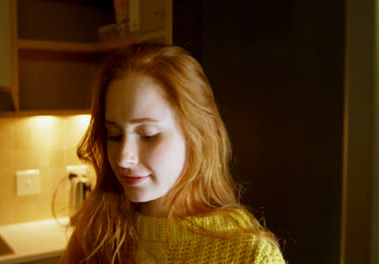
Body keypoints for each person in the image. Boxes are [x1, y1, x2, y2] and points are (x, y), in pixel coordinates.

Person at [60, 43, 286, 264]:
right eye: (114, 135)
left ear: (195, 136)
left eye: (148, 135)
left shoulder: (250, 255)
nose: (123, 158)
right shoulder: (96, 232)